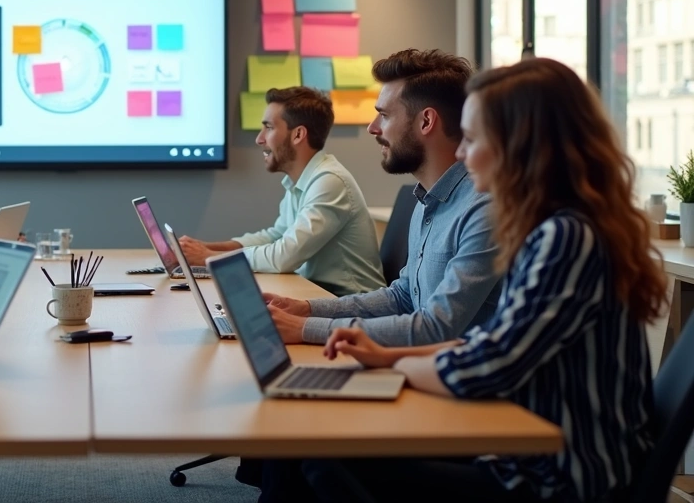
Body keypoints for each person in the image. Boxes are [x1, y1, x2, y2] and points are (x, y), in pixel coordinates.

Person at [286, 58, 663, 502]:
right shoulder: (556, 228)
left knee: (322, 454)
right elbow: (489, 342)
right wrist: (383, 357)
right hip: (526, 453)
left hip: (558, 477)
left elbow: (489, 364)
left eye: (472, 138)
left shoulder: (566, 236)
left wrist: (394, 364)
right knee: (321, 445)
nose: (461, 154)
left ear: (518, 145)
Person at [260, 50, 502, 347]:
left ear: (426, 121)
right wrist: (307, 309)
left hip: (460, 385)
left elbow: (437, 327)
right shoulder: (427, 201)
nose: (373, 127)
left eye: (384, 115)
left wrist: (306, 329)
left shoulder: (483, 210)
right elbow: (402, 296)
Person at [178, 86, 383, 295]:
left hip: (351, 306)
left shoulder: (329, 181)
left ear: (298, 135)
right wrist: (209, 248)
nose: (259, 139)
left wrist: (208, 258)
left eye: (268, 128)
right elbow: (276, 236)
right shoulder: (300, 180)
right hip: (318, 294)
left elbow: (284, 256)